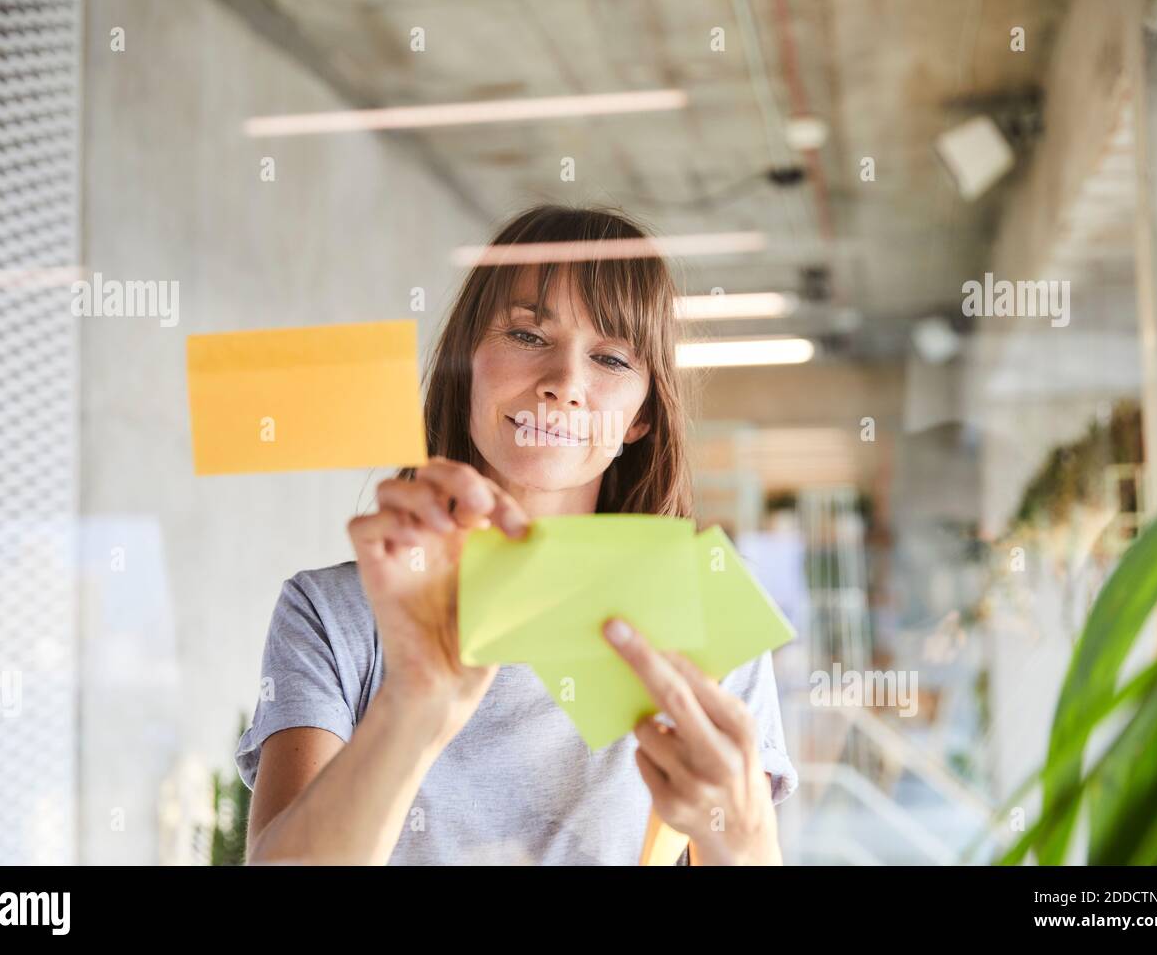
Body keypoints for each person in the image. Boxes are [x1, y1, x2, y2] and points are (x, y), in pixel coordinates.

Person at [234, 204, 797, 865]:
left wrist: (744, 836)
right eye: (529, 336)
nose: (564, 384)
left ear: (642, 417)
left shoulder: (701, 613)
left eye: (612, 357)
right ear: (465, 361)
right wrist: (416, 704)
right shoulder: (333, 615)